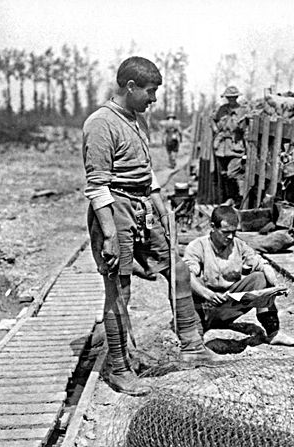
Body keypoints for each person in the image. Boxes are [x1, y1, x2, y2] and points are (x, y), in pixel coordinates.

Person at [82, 56, 218, 397]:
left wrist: (161, 209)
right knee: (119, 291)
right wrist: (110, 234)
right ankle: (118, 368)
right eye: (150, 91)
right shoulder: (100, 123)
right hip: (114, 211)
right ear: (130, 87)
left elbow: (146, 172)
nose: (154, 99)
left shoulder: (135, 120)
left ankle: (192, 344)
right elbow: (97, 185)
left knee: (179, 268)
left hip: (142, 207)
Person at [183, 205, 294, 346]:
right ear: (212, 227)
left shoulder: (238, 245)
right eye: (225, 232)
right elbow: (187, 275)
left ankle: (273, 332)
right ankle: (197, 333)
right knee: (184, 281)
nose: (230, 236)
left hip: (228, 304)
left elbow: (262, 264)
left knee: (260, 278)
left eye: (233, 232)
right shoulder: (197, 246)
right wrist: (207, 294)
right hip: (204, 305)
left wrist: (276, 286)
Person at [212, 86, 248, 204]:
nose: (231, 99)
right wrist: (216, 130)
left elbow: (245, 129)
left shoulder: (242, 110)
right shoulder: (222, 109)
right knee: (224, 175)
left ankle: (240, 197)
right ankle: (230, 198)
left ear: (237, 97)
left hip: (235, 146)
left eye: (233, 97)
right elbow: (212, 119)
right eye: (229, 97)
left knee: (232, 173)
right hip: (221, 147)